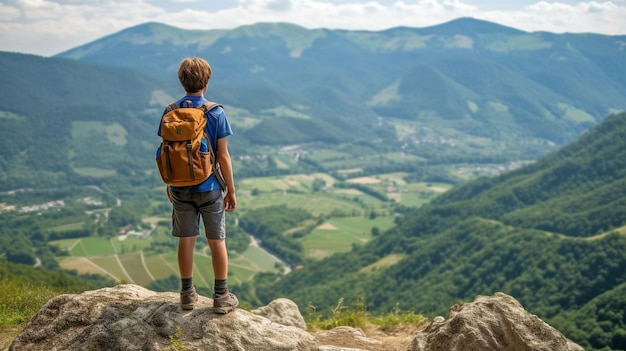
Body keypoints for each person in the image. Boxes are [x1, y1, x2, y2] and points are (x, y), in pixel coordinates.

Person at [158, 57, 238, 314]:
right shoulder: (216, 112)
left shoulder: (169, 111)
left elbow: (168, 151)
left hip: (180, 189)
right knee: (217, 241)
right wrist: (231, 191)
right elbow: (223, 156)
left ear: (182, 81)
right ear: (207, 81)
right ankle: (221, 295)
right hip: (211, 188)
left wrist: (170, 183)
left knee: (186, 239)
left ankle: (186, 294)